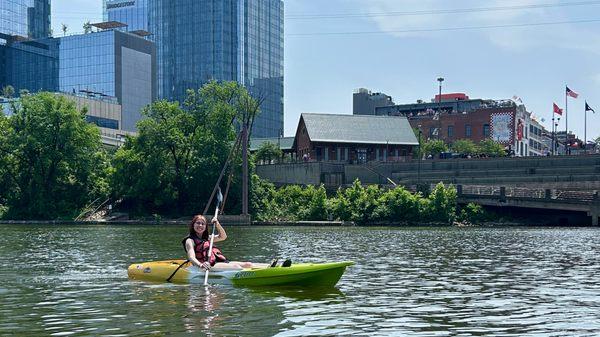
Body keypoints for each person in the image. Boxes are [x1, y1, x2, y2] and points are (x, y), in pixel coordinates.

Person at [183, 215, 269, 271]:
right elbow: (191, 257)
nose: (200, 226)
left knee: (248, 264)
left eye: (203, 224)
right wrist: (201, 265)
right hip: (207, 266)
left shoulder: (208, 238)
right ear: (193, 225)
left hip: (218, 262)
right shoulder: (190, 240)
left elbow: (223, 237)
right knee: (236, 268)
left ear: (206, 227)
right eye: (198, 223)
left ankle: (269, 269)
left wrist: (217, 224)